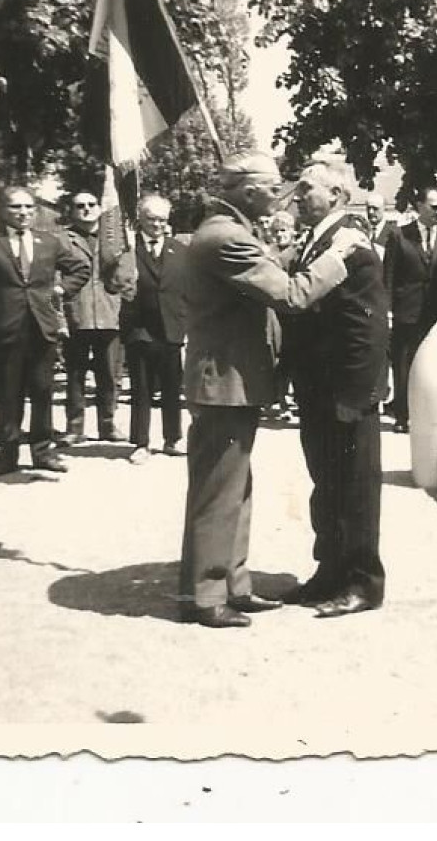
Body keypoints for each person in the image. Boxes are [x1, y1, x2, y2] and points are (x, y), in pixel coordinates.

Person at [178, 151, 367, 629]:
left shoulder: (230, 231)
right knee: (219, 490)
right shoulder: (225, 237)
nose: (282, 195)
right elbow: (288, 293)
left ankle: (232, 585)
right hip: (225, 382)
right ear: (248, 190)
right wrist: (337, 256)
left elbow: (269, 267)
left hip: (232, 382)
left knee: (235, 488)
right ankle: (205, 596)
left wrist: (302, 253)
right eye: (272, 186)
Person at [282, 160, 390, 617]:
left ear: (338, 195)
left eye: (308, 189)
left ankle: (363, 583)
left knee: (356, 489)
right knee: (326, 485)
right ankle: (329, 570)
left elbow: (368, 329)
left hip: (347, 393)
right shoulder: (319, 241)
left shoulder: (352, 244)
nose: (298, 195)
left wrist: (359, 395)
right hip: (318, 390)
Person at [0, 186, 90, 477]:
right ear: (4, 211)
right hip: (6, 327)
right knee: (7, 394)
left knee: (42, 391)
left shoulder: (49, 242)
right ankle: (7, 454)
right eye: (16, 207)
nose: (23, 213)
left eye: (29, 207)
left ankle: (42, 451)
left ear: (35, 211)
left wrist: (59, 290)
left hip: (42, 327)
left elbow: (80, 268)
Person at [59, 191, 133, 446]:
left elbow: (126, 274)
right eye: (80, 206)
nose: (87, 209)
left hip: (109, 313)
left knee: (109, 374)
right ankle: (74, 427)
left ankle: (108, 424)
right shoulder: (62, 239)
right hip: (76, 315)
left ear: (100, 208)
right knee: (75, 374)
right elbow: (57, 278)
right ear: (72, 210)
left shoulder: (112, 239)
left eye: (92, 204)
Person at [120, 194, 189, 465]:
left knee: (173, 388)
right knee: (142, 389)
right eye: (152, 219)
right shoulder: (128, 250)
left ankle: (173, 439)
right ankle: (141, 443)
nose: (157, 224)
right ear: (141, 220)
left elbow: (189, 288)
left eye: (162, 219)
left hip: (172, 328)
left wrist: (186, 322)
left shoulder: (180, 250)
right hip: (140, 329)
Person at [382, 186, 437, 433]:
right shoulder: (399, 236)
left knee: (435, 364)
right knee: (403, 364)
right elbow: (388, 276)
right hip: (407, 310)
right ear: (419, 207)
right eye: (435, 207)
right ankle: (403, 415)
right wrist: (388, 311)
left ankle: (432, 413)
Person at [364, 192, 396, 260]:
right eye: (368, 208)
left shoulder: (394, 232)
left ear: (384, 208)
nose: (371, 212)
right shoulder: (362, 231)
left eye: (375, 208)